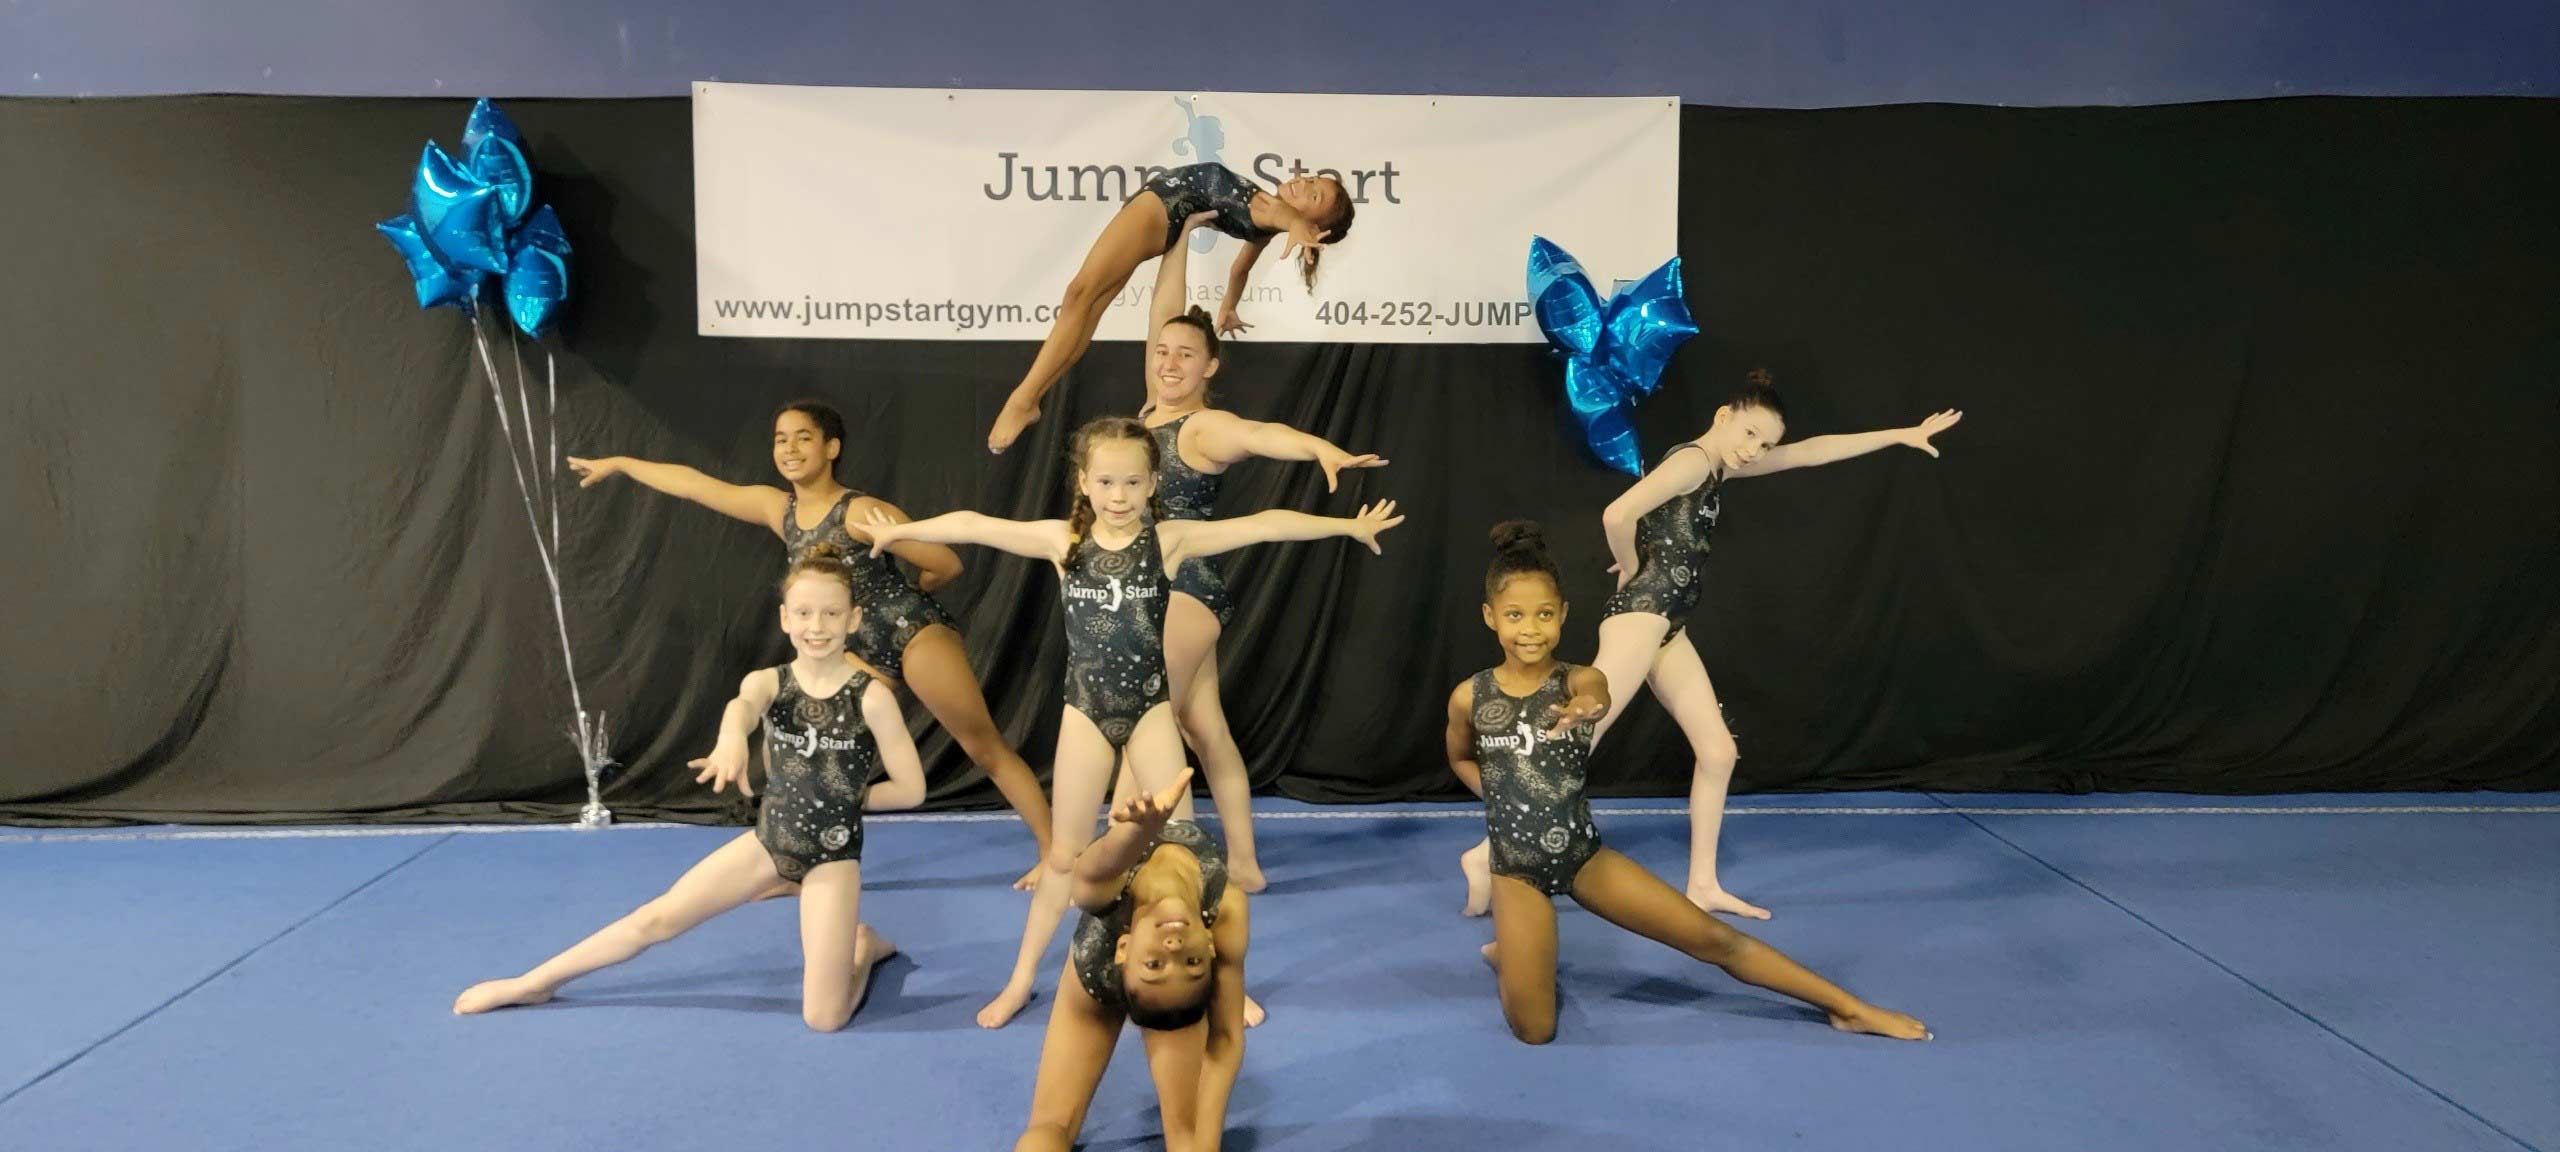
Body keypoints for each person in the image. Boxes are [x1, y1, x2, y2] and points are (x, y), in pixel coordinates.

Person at [862, 415, 1401, 1027]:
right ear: (1085, 483)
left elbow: (1262, 526)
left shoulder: (1169, 542)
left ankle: (1226, 983)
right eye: (1107, 483)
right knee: (1066, 856)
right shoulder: (1062, 540)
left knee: (1189, 854)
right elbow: (976, 526)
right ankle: (1018, 982)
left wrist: (1347, 528)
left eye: (1132, 484)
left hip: (1148, 714)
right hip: (1085, 715)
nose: (1119, 497)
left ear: (1152, 485)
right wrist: (903, 532)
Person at [1460, 373, 1965, 918]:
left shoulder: (1721, 464)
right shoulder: (1695, 461)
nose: (1755, 451)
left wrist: (1899, 434)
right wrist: (1630, 564)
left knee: (1718, 751)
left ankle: (1702, 884)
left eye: (1765, 443)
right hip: (1641, 619)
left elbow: (1809, 454)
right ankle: (1489, 853)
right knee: (1575, 737)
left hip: (1667, 627)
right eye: (1748, 434)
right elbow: (1617, 513)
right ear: (1724, 416)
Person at [1446, 520, 1929, 1045]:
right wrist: (1499, 794)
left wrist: (1588, 706)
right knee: (1534, 1030)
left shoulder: (1576, 680)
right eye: (1515, 615)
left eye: (1544, 614)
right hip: (1515, 870)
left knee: (1713, 938)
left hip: (1583, 858)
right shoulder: (1470, 697)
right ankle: (1517, 949)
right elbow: (1460, 758)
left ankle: (1848, 1006)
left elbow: (1598, 692)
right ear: (1490, 616)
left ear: (1563, 614)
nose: (1531, 628)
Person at [566, 400, 1054, 890]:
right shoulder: (779, 509)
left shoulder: (859, 511)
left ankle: (1056, 858)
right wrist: (622, 465)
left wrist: (912, 599)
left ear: (831, 447)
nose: (790, 448)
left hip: (910, 631)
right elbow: (697, 486)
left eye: (803, 437)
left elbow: (946, 563)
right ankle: (802, 866)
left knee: (982, 745)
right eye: (781, 438)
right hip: (854, 648)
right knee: (821, 765)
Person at [453, 546, 924, 1030]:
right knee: (655, 920)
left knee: (824, 1019)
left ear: (854, 619)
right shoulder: (769, 682)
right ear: (785, 618)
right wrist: (730, 742)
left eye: (831, 613)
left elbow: (911, 791)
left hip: (832, 858)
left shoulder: (872, 698)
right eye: (804, 613)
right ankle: (534, 982)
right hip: (770, 843)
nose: (816, 626)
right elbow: (742, 705)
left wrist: (843, 799)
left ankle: (861, 949)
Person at [986, 163, 1356, 454]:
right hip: (1168, 206)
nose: (1305, 183)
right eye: (1312, 179)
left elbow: (1284, 217)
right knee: (1089, 304)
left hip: (1165, 204)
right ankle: (1032, 398)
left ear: (1315, 223)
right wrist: (1229, 306)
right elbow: (1239, 269)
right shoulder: (1267, 222)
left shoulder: (1275, 214)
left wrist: (1298, 225)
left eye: (1315, 194)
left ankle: (1023, 399)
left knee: (1080, 294)